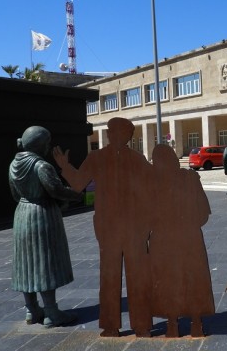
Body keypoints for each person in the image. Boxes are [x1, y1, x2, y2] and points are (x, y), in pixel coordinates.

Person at [52, 117, 152, 338]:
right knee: (111, 276)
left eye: (117, 132)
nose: (113, 135)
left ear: (126, 136)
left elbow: (150, 192)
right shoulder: (99, 158)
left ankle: (139, 324)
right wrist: (65, 167)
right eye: (112, 131)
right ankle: (116, 325)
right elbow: (78, 184)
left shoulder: (136, 159)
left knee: (134, 277)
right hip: (111, 229)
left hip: (132, 228)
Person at [9, 126, 80, 328]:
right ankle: (51, 313)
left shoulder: (13, 165)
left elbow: (15, 195)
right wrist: (78, 194)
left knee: (26, 264)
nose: (48, 147)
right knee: (44, 263)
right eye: (47, 143)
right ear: (40, 145)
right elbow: (56, 191)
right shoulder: (42, 166)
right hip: (42, 215)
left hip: (22, 214)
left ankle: (31, 311)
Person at [146, 144, 215, 337]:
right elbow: (203, 212)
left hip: (163, 239)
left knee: (167, 279)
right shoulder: (190, 178)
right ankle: (196, 323)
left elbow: (147, 215)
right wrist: (190, 226)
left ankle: (172, 324)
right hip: (189, 237)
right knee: (193, 278)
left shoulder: (153, 183)